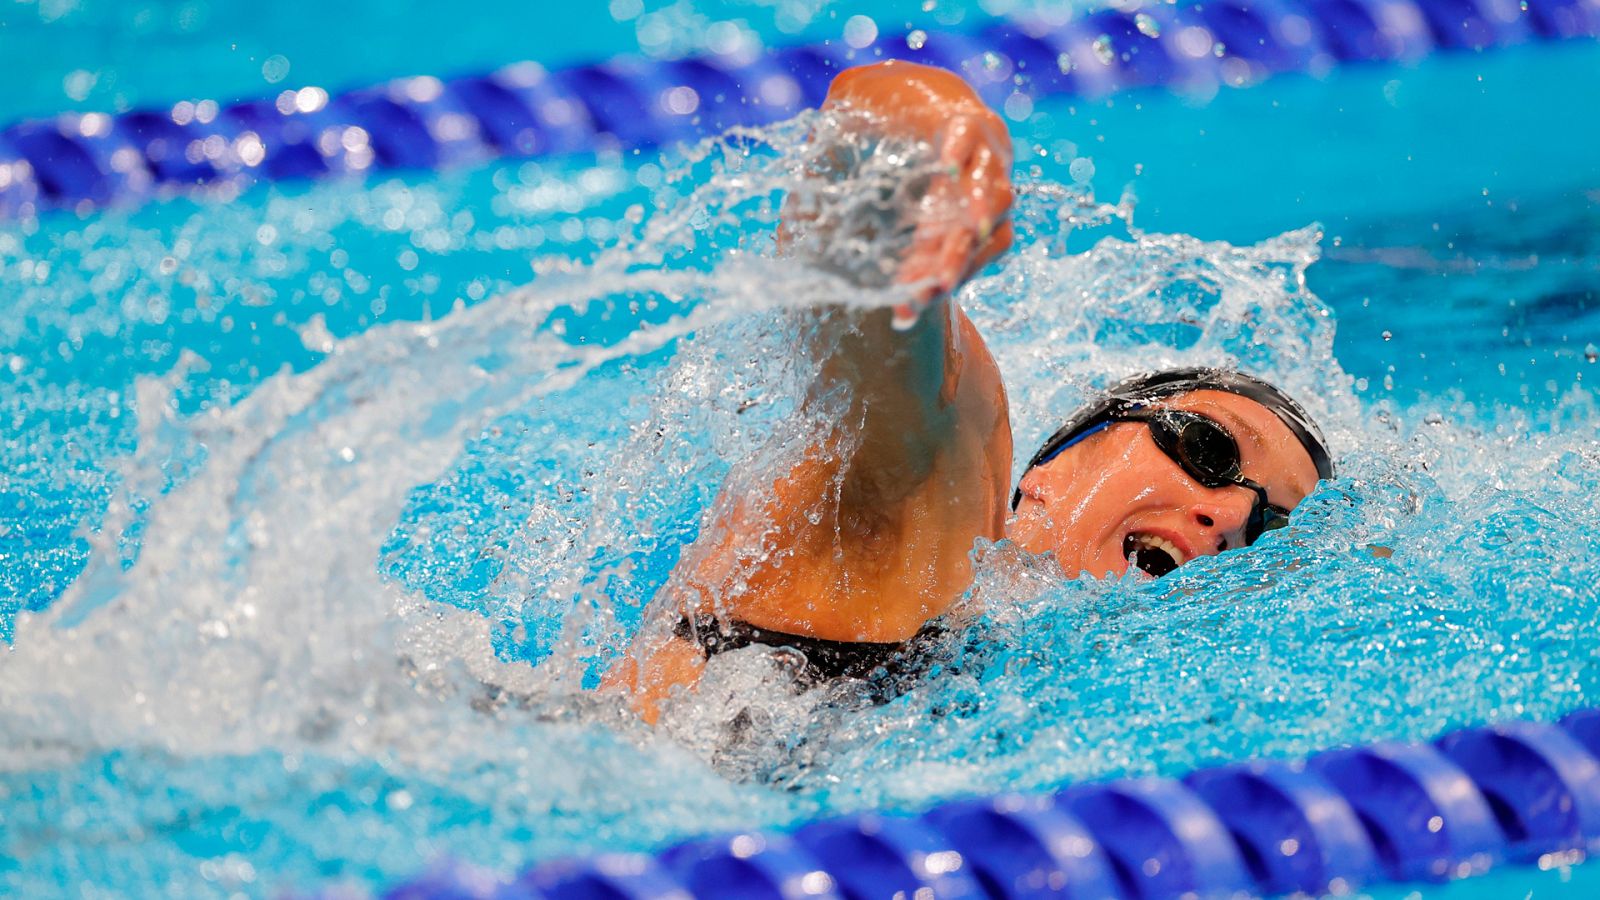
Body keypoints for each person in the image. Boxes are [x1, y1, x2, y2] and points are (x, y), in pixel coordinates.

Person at [602, 60, 1333, 723]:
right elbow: (853, 260)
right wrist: (930, 142)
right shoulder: (928, 504)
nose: (1231, 514)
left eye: (1268, 527)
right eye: (1207, 448)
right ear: (1061, 459)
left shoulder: (1031, 670)